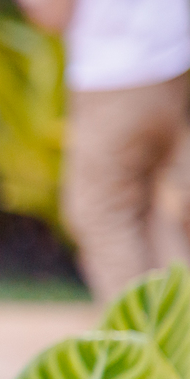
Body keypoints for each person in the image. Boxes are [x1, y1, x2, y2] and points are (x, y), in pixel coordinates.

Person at [18, 0, 190, 302]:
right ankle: (179, 328)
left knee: (99, 213)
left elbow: (51, 13)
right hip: (170, 64)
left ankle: (139, 339)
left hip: (116, 75)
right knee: (156, 209)